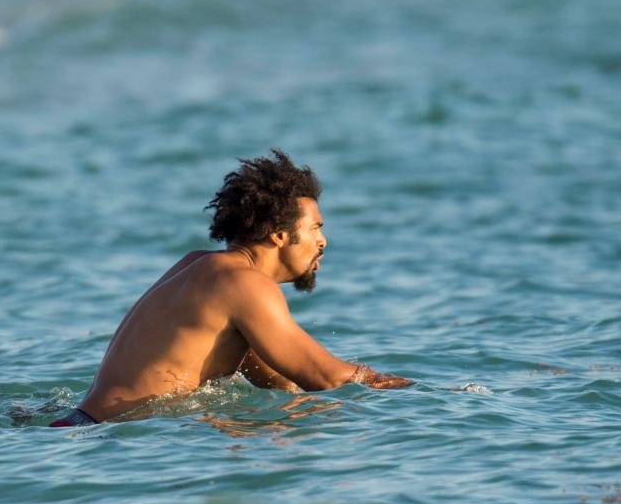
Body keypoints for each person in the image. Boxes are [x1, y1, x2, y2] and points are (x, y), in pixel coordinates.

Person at [51, 149, 412, 427]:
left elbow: (277, 378)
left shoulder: (200, 267)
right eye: (316, 227)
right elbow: (324, 376)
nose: (323, 241)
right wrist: (425, 398)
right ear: (280, 235)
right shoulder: (245, 284)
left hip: (78, 425)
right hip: (113, 439)